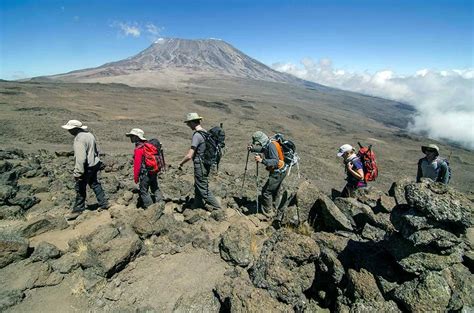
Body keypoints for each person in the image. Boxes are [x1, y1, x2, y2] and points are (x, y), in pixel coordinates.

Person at [61, 120, 108, 220]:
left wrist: (78, 172)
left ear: (75, 129)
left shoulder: (79, 139)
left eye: (70, 129)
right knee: (95, 184)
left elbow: (81, 158)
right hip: (94, 163)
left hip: (87, 166)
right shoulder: (89, 135)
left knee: (80, 187)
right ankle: (104, 203)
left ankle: (78, 210)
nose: (69, 131)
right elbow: (95, 150)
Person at [178, 113, 221, 210]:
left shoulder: (197, 135)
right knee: (198, 185)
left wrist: (181, 163)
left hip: (200, 164)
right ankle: (197, 204)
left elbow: (189, 155)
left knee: (202, 187)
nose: (188, 125)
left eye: (189, 123)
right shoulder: (205, 132)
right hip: (206, 164)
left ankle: (218, 207)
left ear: (193, 122)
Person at [248, 131, 287, 218]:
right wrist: (253, 149)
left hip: (278, 172)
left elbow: (275, 161)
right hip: (281, 170)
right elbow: (264, 149)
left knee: (266, 192)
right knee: (275, 190)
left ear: (260, 140)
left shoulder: (271, 145)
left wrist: (262, 160)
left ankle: (268, 212)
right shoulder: (269, 142)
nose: (258, 144)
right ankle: (275, 207)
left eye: (258, 143)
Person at [126, 128, 163, 208]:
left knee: (143, 191)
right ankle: (160, 204)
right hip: (153, 171)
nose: (131, 138)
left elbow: (137, 165)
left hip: (145, 173)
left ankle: (150, 209)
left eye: (132, 136)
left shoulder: (138, 149)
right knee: (155, 188)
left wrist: (136, 178)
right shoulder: (148, 146)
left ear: (137, 137)